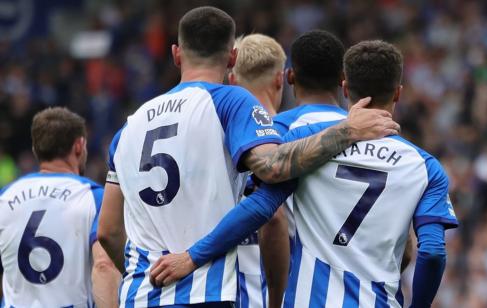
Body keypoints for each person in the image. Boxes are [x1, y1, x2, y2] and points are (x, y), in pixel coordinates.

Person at [98, 6, 399, 308]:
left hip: (140, 293)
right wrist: (346, 130)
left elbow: (108, 231)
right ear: (232, 58)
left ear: (177, 54)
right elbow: (273, 167)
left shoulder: (129, 126)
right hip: (206, 292)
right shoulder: (229, 100)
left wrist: (148, 275)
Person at [153, 40, 459, 308]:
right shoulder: (425, 166)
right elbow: (431, 252)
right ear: (399, 93)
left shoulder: (308, 142)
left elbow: (260, 207)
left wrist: (192, 256)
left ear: (345, 87)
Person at [0, 107, 120, 308]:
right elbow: (104, 266)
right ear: (79, 146)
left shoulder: (5, 197)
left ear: (35, 149)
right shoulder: (92, 197)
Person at [228, 33, 288, 308]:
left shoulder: (217, 138)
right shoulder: (298, 140)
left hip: (221, 288)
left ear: (231, 81)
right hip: (275, 292)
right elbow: (274, 217)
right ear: (280, 79)